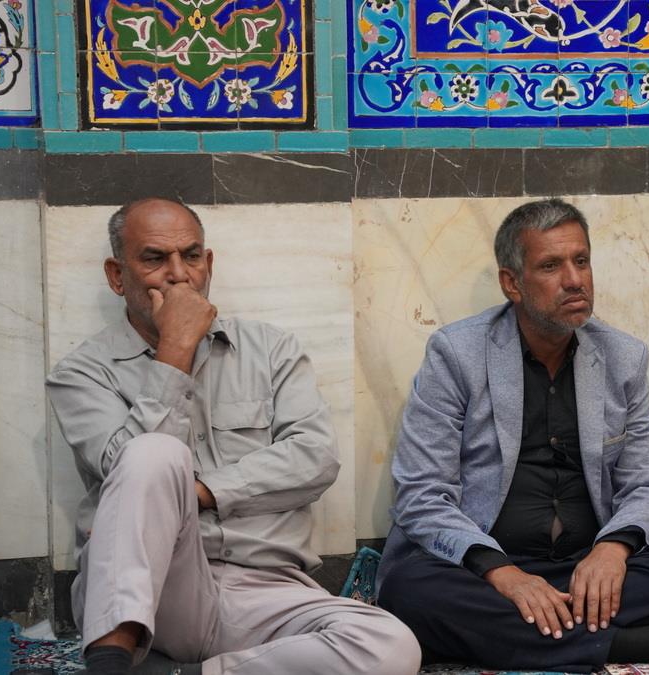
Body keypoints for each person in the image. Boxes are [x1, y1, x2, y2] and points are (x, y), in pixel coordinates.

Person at [47, 198, 420, 675]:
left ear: (209, 264)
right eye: (155, 259)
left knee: (391, 646)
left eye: (191, 256)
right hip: (152, 593)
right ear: (117, 276)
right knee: (152, 452)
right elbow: (129, 470)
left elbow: (315, 458)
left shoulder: (271, 350)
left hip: (265, 589)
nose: (178, 275)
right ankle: (110, 662)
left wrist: (199, 493)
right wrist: (176, 349)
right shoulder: (82, 374)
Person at [377, 198, 649, 673]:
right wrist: (503, 574)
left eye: (581, 261)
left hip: (582, 566)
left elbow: (647, 484)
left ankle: (495, 635)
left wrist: (612, 550)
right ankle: (621, 645)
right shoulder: (455, 354)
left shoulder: (622, 357)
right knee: (410, 588)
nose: (574, 279)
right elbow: (420, 494)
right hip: (485, 569)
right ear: (512, 283)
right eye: (551, 266)